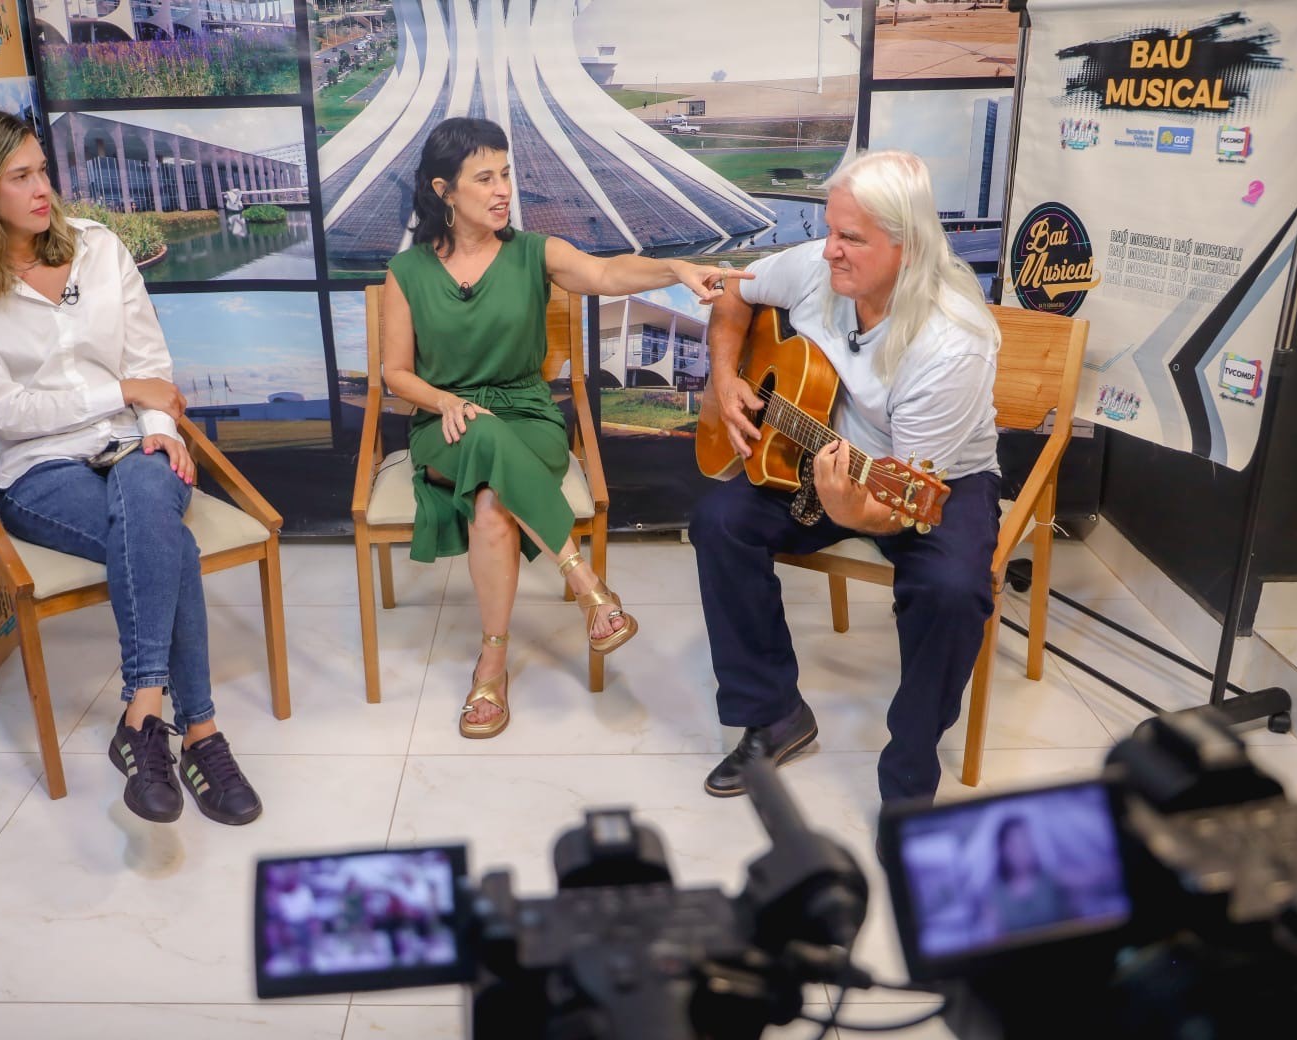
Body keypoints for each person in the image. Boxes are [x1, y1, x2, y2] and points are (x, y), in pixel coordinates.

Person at [0, 104, 262, 826]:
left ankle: (145, 717)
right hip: (40, 470)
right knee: (168, 543)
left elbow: (151, 366)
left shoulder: (101, 249)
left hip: (136, 442)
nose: (45, 188)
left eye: (43, 168)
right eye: (21, 177)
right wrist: (122, 393)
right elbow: (10, 415)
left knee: (145, 497)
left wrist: (159, 424)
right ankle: (198, 731)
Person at [382, 117, 747, 739]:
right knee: (480, 433)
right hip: (445, 425)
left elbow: (607, 275)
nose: (503, 190)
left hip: (527, 416)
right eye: (484, 178)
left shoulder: (534, 253)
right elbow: (394, 373)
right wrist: (442, 399)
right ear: (444, 191)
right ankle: (584, 582)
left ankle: (490, 670)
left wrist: (677, 270)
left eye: (506, 175)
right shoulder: (407, 272)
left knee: (493, 503)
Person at [691, 150, 1000, 805]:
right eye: (830, 230)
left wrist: (851, 509)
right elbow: (731, 295)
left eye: (850, 238)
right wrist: (725, 381)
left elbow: (903, 503)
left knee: (950, 591)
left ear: (907, 247)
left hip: (926, 480)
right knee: (718, 523)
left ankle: (911, 772)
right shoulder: (817, 266)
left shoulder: (952, 342)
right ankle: (773, 713)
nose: (828, 251)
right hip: (818, 450)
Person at [983, 816, 1068, 935]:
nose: (1024, 851)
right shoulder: (995, 897)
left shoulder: (1052, 879)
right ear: (1003, 850)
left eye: (1027, 842)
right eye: (1016, 845)